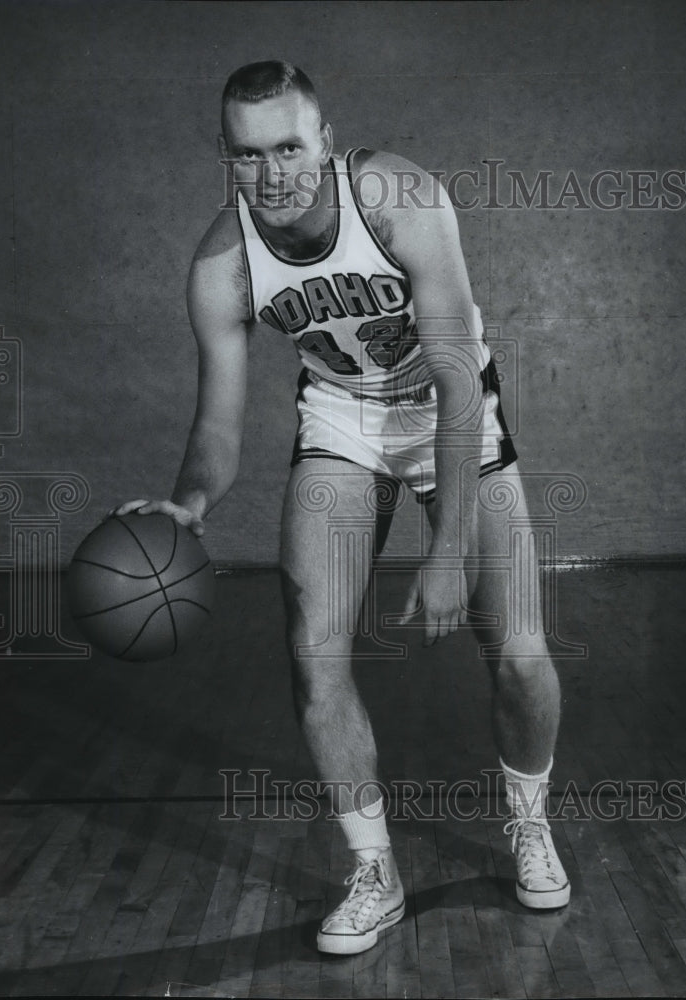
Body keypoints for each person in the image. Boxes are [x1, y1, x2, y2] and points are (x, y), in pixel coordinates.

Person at [116, 60, 570, 956]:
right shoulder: (220, 262)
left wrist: (442, 551)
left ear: (324, 141)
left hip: (448, 405)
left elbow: (451, 376)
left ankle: (529, 820)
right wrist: (189, 502)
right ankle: (373, 873)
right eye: (249, 155)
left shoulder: (399, 196)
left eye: (289, 145)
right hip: (344, 416)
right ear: (226, 158)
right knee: (313, 649)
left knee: (517, 653)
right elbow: (217, 421)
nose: (273, 171)